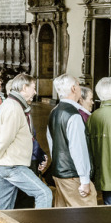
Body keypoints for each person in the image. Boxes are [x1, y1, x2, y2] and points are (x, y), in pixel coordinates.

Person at [0, 73, 53, 223]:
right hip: (12, 165)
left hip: (7, 164)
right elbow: (4, 139)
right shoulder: (13, 108)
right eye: (32, 87)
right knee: (45, 194)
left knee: (3, 209)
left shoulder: (10, 105)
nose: (35, 91)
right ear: (23, 88)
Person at [46, 74, 96, 207]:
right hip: (73, 175)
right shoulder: (73, 115)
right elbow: (78, 149)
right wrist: (84, 180)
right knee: (87, 215)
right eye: (79, 85)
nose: (80, 88)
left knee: (62, 217)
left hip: (59, 172)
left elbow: (52, 144)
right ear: (74, 89)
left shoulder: (54, 112)